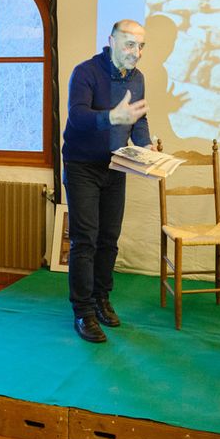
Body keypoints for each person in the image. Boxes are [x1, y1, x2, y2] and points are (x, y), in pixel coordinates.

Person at [62, 19, 150, 343]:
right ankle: (83, 311)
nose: (136, 52)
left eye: (140, 46)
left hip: (116, 165)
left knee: (109, 239)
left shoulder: (137, 78)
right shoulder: (85, 72)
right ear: (111, 42)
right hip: (82, 166)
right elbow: (77, 116)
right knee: (85, 240)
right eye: (129, 44)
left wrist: (147, 146)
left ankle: (101, 299)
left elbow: (138, 120)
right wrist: (112, 116)